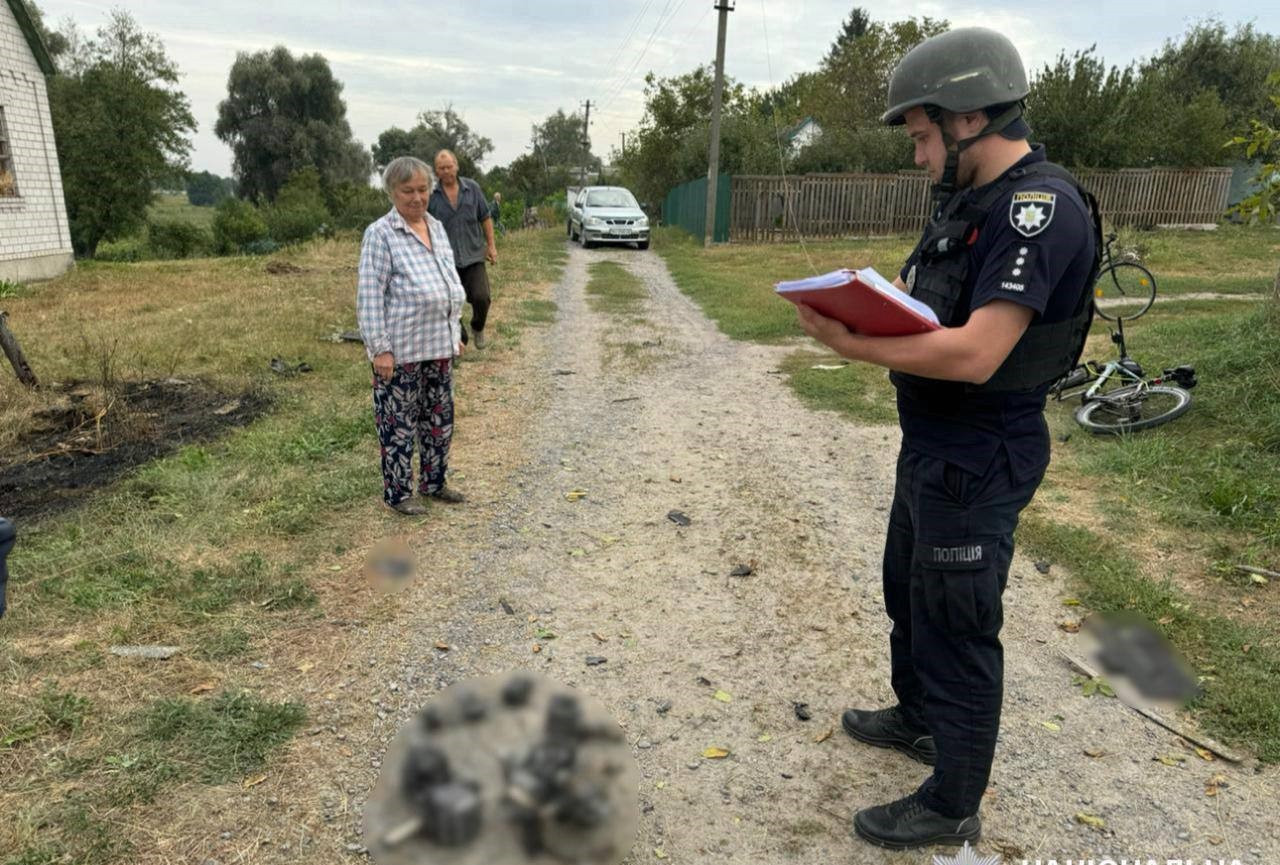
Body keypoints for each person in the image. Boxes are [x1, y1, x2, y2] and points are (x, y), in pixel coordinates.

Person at [794, 28, 1101, 850]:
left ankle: (953, 799)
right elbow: (927, 302)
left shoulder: (1039, 210)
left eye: (925, 136)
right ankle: (920, 718)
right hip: (930, 444)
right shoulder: (966, 201)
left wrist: (854, 344)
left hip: (981, 451)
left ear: (970, 117)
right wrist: (869, 298)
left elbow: (976, 351)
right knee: (910, 590)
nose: (920, 155)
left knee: (958, 622)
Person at [358, 156, 468, 515]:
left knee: (439, 420)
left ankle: (434, 483)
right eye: (408, 191)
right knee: (399, 426)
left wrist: (456, 330)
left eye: (423, 189)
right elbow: (370, 294)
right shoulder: (381, 234)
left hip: (438, 345)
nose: (417, 198)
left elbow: (450, 280)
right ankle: (399, 494)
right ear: (392, 192)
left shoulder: (435, 226)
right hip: (401, 351)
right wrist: (380, 349)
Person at [428, 150, 497, 349]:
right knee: (449, 302)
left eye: (449, 166)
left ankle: (478, 327)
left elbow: (485, 217)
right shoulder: (431, 194)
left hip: (473, 254)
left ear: (456, 166)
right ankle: (460, 339)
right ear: (436, 171)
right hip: (444, 259)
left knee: (481, 297)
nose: (446, 171)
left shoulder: (472, 189)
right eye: (441, 168)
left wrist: (491, 245)